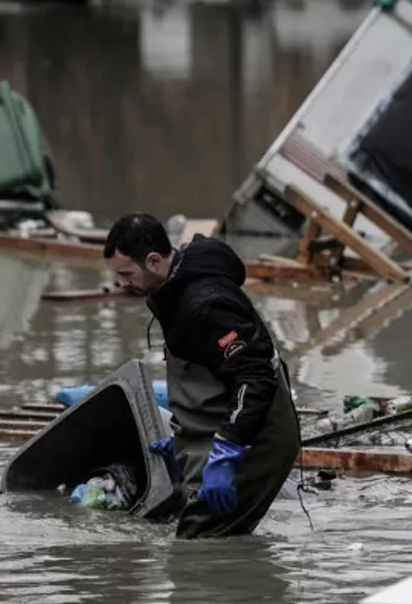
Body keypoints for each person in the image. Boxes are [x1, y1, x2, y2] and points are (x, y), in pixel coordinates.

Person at [102, 212, 301, 539]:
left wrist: (226, 454)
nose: (121, 283)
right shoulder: (170, 284)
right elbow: (208, 375)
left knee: (198, 546)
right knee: (199, 533)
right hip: (217, 426)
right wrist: (183, 439)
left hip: (257, 435)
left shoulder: (208, 305)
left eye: (126, 273)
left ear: (153, 260)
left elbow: (254, 377)